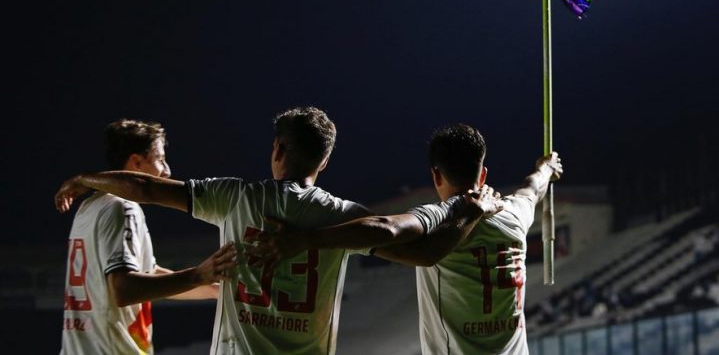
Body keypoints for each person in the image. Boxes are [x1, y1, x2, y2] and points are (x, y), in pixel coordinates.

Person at [55, 108, 496, 355]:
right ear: (323, 163)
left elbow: (145, 187)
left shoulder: (236, 197)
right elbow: (425, 254)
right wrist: (466, 211)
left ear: (277, 149)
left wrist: (88, 178)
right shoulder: (342, 218)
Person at [258, 124, 562, 354]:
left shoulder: (440, 217)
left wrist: (307, 239)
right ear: (482, 174)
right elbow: (532, 188)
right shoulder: (515, 213)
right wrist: (547, 168)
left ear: (435, 175)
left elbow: (385, 227)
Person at [58, 119, 237, 355]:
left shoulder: (89, 207)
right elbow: (125, 290)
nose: (167, 170)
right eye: (160, 159)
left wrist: (212, 288)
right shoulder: (122, 208)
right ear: (136, 162)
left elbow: (148, 274)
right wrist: (197, 274)